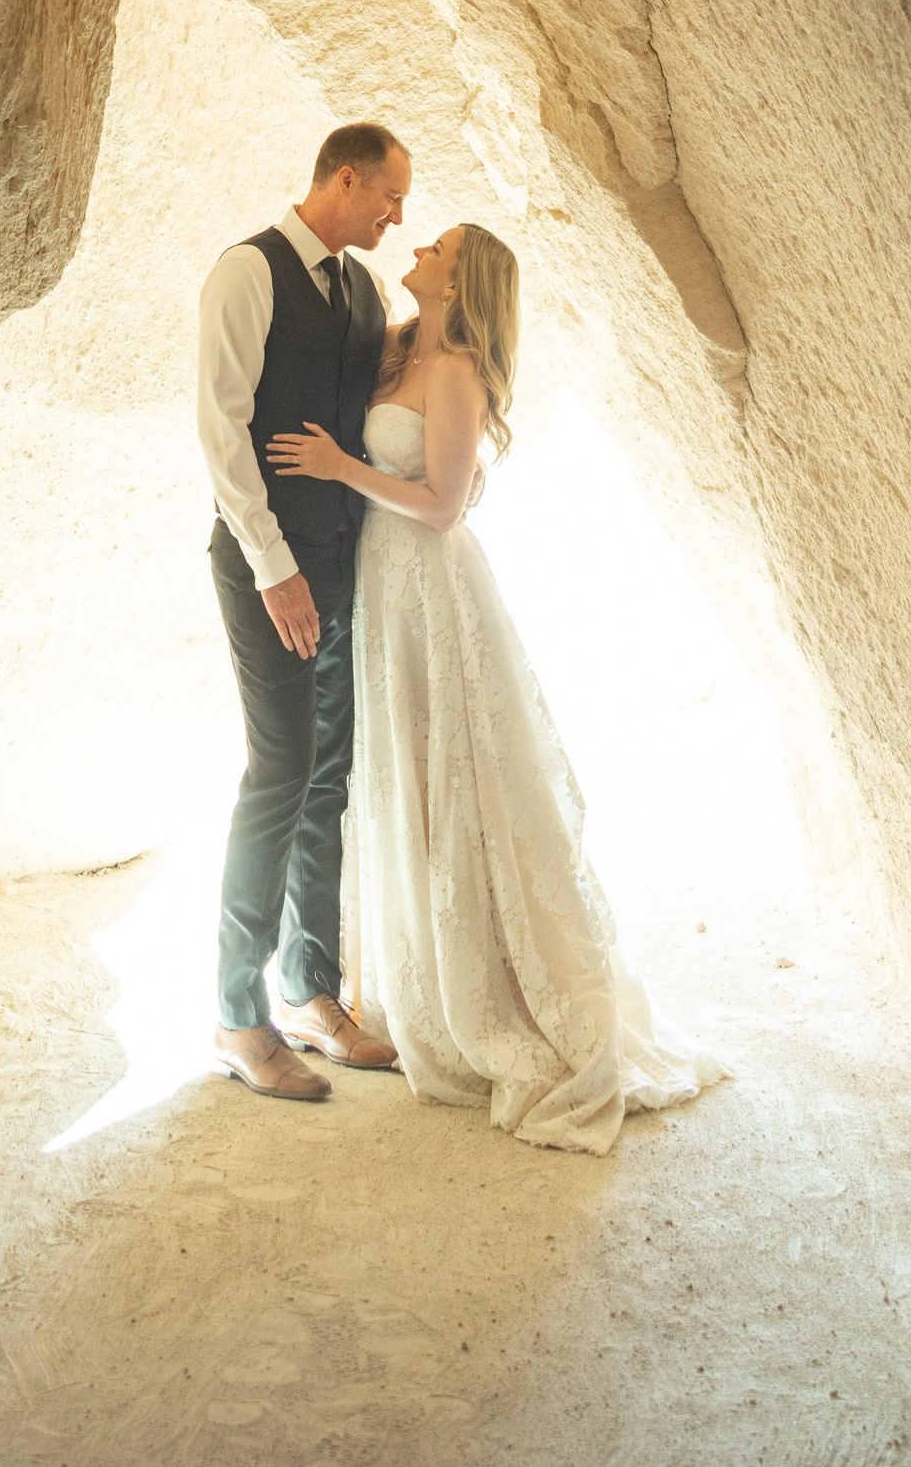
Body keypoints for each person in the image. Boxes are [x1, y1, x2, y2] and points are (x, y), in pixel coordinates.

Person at [273, 220, 726, 1151]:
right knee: (397, 775)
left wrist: (342, 466)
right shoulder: (397, 347)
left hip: (432, 586)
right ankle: (407, 984)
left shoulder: (456, 373)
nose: (420, 248)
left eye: (435, 245)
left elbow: (442, 505)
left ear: (461, 276)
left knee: (460, 773)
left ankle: (511, 999)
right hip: (377, 586)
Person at [197, 124, 413, 1100]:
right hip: (267, 563)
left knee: (328, 771)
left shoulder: (361, 290)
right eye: (387, 197)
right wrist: (274, 566)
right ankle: (239, 1018)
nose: (395, 217)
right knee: (280, 768)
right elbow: (222, 427)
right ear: (343, 177)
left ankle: (311, 994)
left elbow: (378, 389)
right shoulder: (247, 272)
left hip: (344, 555)